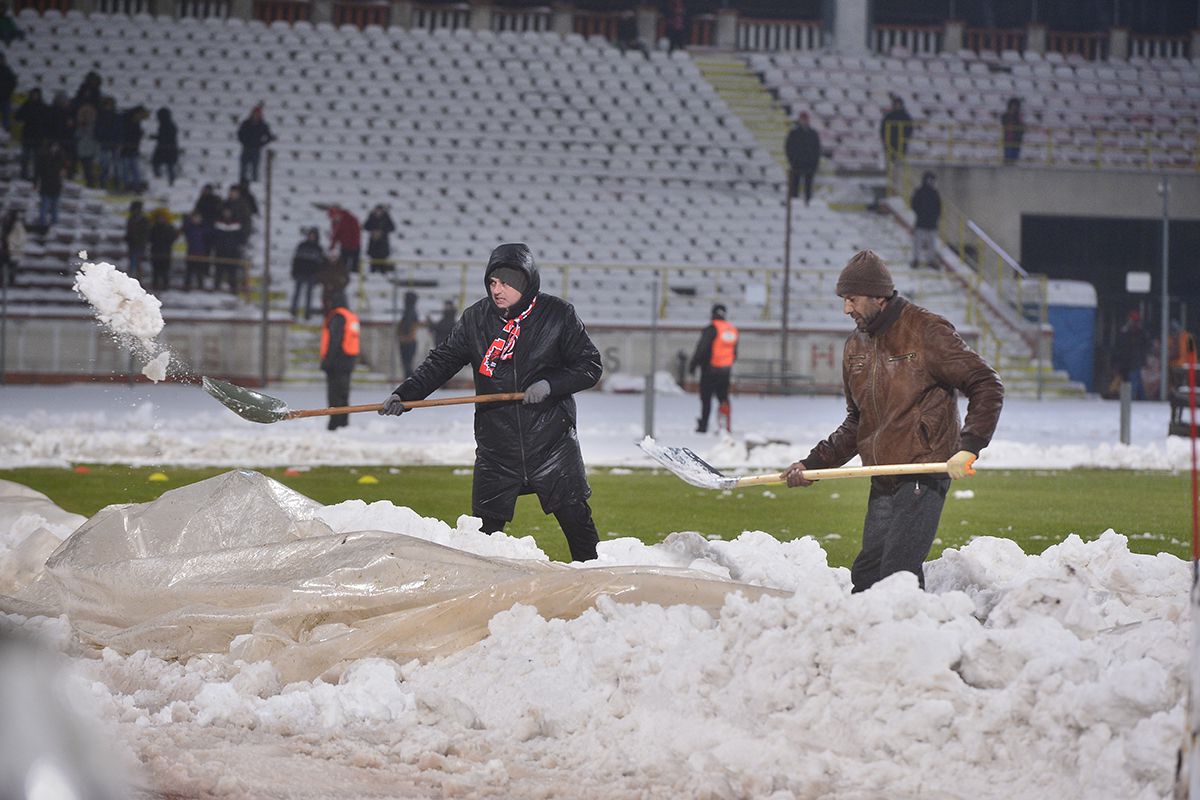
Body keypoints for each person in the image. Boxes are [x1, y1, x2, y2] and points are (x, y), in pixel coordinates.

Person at [784, 250, 1004, 593]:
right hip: (884, 474)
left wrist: (970, 446)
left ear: (879, 297)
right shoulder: (855, 346)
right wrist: (812, 464)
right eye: (844, 300)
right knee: (868, 573)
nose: (846, 309)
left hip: (923, 470)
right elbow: (857, 421)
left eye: (853, 299)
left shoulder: (926, 330)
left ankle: (912, 625)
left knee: (897, 574)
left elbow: (986, 383)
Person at [379, 243, 604, 562]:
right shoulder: (476, 318)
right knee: (481, 537)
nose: (497, 290)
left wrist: (551, 385)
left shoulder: (558, 315)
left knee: (578, 526)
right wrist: (406, 394)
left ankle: (597, 581)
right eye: (493, 282)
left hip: (552, 444)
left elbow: (590, 366)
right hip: (497, 448)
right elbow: (442, 361)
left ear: (526, 283)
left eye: (507, 283)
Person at [688, 303, 738, 433]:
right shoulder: (731, 330)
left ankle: (703, 425)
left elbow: (702, 348)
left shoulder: (711, 329)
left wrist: (693, 364)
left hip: (710, 369)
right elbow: (734, 353)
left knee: (706, 398)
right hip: (725, 370)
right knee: (723, 398)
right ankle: (725, 425)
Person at [321, 290, 359, 431]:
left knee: (334, 394)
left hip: (337, 362)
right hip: (349, 360)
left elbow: (335, 340)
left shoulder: (337, 316)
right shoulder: (350, 316)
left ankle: (334, 423)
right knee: (344, 394)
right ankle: (344, 421)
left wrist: (327, 361)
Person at [785, 112, 821, 206]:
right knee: (795, 185)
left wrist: (815, 163)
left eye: (806, 119)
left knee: (808, 186)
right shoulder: (794, 133)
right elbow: (789, 147)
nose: (804, 121)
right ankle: (794, 204)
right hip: (797, 164)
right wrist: (792, 160)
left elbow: (817, 149)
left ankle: (808, 204)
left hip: (809, 165)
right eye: (803, 119)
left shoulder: (813, 133)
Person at [1111, 309, 1148, 400]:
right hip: (1126, 362)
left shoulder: (1139, 332)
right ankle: (1141, 398)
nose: (1134, 323)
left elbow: (1143, 344)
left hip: (1134, 361)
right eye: (1133, 320)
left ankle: (1133, 399)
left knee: (1134, 380)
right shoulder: (1125, 332)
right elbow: (1120, 347)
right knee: (1134, 381)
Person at [290, 227, 325, 320]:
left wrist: (318, 276)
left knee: (309, 295)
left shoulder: (318, 249)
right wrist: (294, 272)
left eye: (313, 235)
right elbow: (296, 260)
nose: (312, 237)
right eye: (310, 235)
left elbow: (320, 264)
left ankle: (307, 313)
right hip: (300, 272)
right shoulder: (302, 246)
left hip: (311, 274)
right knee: (297, 293)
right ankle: (293, 311)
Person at [909, 171, 941, 270]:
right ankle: (916, 259)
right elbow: (914, 204)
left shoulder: (934, 193)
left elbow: (938, 207)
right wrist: (921, 214)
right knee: (918, 242)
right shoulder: (919, 192)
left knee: (932, 243)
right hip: (922, 222)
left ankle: (930, 260)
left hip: (931, 222)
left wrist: (935, 216)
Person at [237, 105, 275, 183]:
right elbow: (240, 134)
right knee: (243, 168)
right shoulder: (246, 123)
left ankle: (254, 183)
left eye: (258, 114)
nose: (256, 115)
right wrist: (244, 141)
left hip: (256, 149)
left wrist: (260, 144)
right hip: (246, 148)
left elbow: (269, 136)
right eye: (254, 113)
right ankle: (242, 183)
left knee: (255, 168)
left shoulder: (263, 125)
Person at [14, 88, 46, 182]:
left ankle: (36, 175)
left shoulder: (43, 106)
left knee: (37, 158)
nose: (35, 96)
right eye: (34, 94)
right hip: (27, 135)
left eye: (37, 94)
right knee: (25, 157)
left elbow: (48, 121)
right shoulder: (26, 105)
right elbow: (17, 117)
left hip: (38, 136)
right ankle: (23, 174)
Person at [211, 206, 244, 294]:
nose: (227, 213)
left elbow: (241, 237)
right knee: (219, 271)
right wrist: (217, 246)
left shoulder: (236, 224)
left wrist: (236, 246)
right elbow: (214, 236)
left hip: (233, 252)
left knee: (232, 272)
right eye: (225, 211)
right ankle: (216, 288)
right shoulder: (218, 223)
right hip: (220, 251)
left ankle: (233, 290)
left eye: (228, 211)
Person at [34, 141, 65, 229]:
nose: (55, 148)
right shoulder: (43, 158)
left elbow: (62, 172)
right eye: (53, 146)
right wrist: (35, 182)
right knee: (44, 206)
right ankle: (42, 224)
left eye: (56, 147)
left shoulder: (60, 158)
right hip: (46, 185)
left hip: (56, 186)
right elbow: (37, 171)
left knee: (54, 207)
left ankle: (54, 225)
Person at [147, 208, 177, 291]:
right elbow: (149, 238)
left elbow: (173, 237)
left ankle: (165, 286)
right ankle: (155, 285)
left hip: (166, 252)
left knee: (165, 271)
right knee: (155, 271)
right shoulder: (153, 228)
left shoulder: (170, 228)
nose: (161, 219)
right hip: (155, 251)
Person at [328, 204, 361, 277]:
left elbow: (357, 233)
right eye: (332, 217)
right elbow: (335, 235)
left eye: (334, 217)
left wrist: (355, 244)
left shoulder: (351, 219)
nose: (334, 219)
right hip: (344, 245)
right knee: (343, 264)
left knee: (354, 265)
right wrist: (332, 245)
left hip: (354, 245)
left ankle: (355, 277)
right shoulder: (335, 222)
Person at [880, 95, 913, 166]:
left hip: (901, 142)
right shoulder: (889, 116)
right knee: (890, 161)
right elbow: (883, 129)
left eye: (899, 104)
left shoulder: (906, 116)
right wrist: (884, 140)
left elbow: (909, 128)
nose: (897, 106)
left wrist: (905, 138)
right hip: (890, 142)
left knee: (900, 161)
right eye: (896, 104)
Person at [150, 107, 179, 186]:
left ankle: (166, 179)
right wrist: (156, 137)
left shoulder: (167, 125)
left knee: (161, 164)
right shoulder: (169, 124)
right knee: (168, 165)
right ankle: (169, 180)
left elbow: (165, 137)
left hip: (165, 148)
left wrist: (156, 137)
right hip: (169, 148)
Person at [180, 211, 209, 291]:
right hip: (191, 250)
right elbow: (183, 228)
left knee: (200, 270)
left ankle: (200, 286)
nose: (197, 219)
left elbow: (208, 238)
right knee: (189, 270)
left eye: (198, 218)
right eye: (195, 218)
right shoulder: (189, 227)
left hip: (201, 251)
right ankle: (187, 285)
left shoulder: (203, 227)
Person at [396, 290, 420, 377]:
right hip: (409, 340)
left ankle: (409, 380)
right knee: (407, 364)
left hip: (407, 341)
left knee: (407, 364)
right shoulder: (412, 311)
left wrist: (401, 333)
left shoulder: (409, 312)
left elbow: (407, 326)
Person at [124, 200, 148, 280]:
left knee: (138, 262)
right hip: (132, 244)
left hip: (140, 244)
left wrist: (139, 239)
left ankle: (138, 278)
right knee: (132, 262)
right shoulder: (131, 219)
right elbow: (129, 231)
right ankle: (131, 277)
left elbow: (146, 232)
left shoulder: (144, 220)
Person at [1001, 97, 1023, 164]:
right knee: (1007, 157)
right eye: (1013, 105)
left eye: (1016, 105)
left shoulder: (1018, 116)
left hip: (1016, 140)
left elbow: (1021, 126)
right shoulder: (1005, 115)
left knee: (1014, 158)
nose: (1014, 107)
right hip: (1008, 139)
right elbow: (1004, 123)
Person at [0, 53, 16, 133]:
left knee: (6, 116)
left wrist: (7, 93)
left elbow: (13, 83)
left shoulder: (7, 71)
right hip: (5, 97)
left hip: (5, 98)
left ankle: (6, 131)